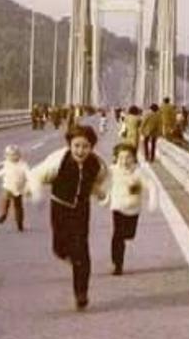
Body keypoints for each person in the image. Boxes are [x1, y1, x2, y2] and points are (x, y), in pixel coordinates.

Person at [27, 125, 108, 311]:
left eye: (85, 146)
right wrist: (37, 195)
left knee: (82, 251)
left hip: (81, 210)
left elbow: (98, 182)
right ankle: (65, 254)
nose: (81, 151)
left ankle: (81, 293)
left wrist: (102, 195)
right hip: (60, 208)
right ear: (70, 145)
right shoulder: (58, 161)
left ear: (91, 147)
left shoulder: (96, 164)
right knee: (60, 247)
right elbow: (35, 175)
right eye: (77, 146)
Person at [101, 144, 158, 275]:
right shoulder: (112, 171)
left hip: (133, 209)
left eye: (128, 157)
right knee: (117, 235)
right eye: (121, 157)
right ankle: (117, 265)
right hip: (117, 207)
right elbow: (100, 180)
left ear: (134, 158)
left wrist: (152, 202)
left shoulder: (138, 173)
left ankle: (118, 258)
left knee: (129, 235)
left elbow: (151, 185)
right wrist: (103, 198)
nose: (124, 161)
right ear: (116, 158)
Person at [0, 145, 30, 231]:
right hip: (8, 186)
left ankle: (19, 223)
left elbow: (28, 173)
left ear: (19, 155)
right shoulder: (7, 163)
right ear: (6, 156)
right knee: (5, 200)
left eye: (15, 155)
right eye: (10, 155)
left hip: (18, 188)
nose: (13, 157)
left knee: (18, 206)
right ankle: (3, 214)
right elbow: (3, 171)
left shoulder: (23, 165)